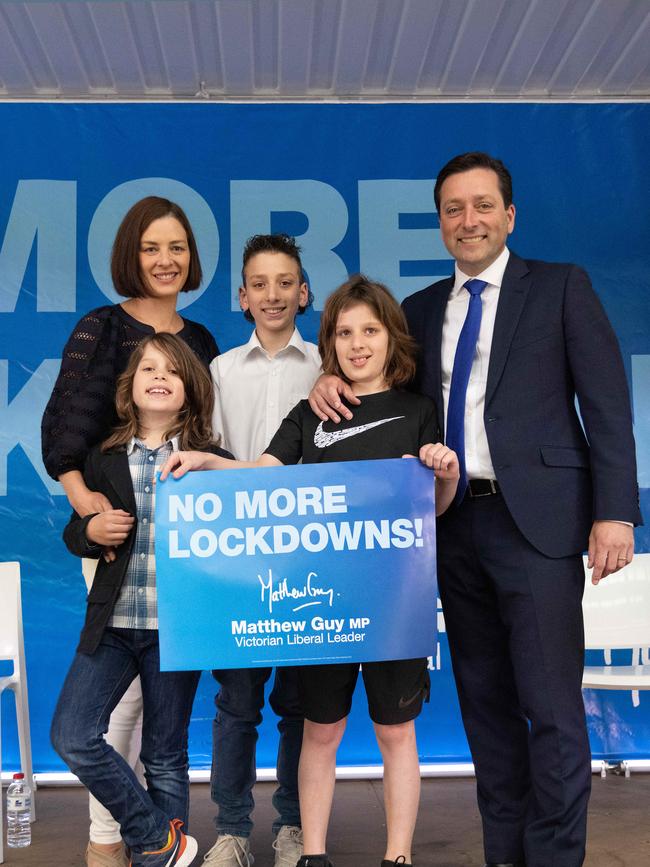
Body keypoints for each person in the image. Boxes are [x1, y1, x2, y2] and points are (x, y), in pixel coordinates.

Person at [308, 153, 642, 867]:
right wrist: (325, 382)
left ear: (509, 216)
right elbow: (376, 385)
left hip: (541, 526)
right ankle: (505, 856)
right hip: (450, 526)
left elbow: (609, 403)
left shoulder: (560, 288)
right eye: (454, 209)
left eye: (482, 205)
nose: (469, 220)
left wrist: (616, 510)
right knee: (485, 711)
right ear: (440, 224)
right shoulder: (421, 311)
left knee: (551, 709)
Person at [160, 275, 460, 867]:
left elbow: (436, 509)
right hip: (322, 608)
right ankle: (313, 855)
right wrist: (207, 463)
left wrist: (443, 472)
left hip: (394, 606)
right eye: (344, 332)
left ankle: (398, 854)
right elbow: (262, 472)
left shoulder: (421, 409)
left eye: (369, 330)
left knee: (397, 733)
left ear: (390, 337)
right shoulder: (311, 413)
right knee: (320, 731)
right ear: (330, 343)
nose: (357, 343)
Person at [41, 196, 218, 867]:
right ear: (130, 255)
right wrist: (90, 510)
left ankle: (152, 847)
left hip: (180, 581)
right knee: (109, 717)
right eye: (151, 247)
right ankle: (113, 842)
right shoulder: (100, 327)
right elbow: (64, 428)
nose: (165, 259)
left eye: (176, 246)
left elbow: (205, 440)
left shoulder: (199, 339)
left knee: (162, 734)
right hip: (113, 552)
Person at [206, 234, 320, 867]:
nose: (272, 294)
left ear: (303, 293)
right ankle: (229, 829)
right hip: (239, 561)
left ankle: (293, 826)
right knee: (237, 702)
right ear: (241, 296)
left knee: (300, 704)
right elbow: (211, 455)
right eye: (259, 283)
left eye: (285, 283)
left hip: (309, 559)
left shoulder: (327, 367)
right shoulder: (221, 370)